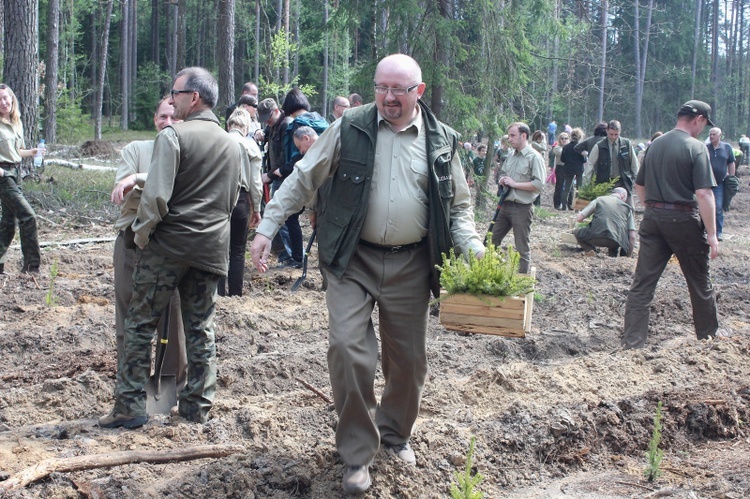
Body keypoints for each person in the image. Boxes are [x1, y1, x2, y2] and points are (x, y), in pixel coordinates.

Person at [250, 53, 484, 494]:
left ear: (418, 90)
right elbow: (303, 177)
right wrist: (268, 226)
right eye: (382, 87)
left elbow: (459, 207)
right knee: (346, 347)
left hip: (412, 264)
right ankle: (356, 454)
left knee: (409, 363)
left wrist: (472, 247)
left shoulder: (441, 140)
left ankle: (394, 437)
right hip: (351, 259)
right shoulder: (350, 126)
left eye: (399, 89)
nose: (389, 98)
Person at [99, 67, 242, 428]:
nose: (172, 98)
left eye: (175, 93)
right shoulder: (231, 142)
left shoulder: (173, 136)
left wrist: (143, 236)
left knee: (139, 324)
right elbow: (232, 198)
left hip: (169, 246)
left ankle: (129, 408)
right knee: (200, 329)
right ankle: (197, 408)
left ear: (193, 97)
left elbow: (156, 197)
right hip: (210, 249)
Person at [622, 100, 719, 350]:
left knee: (642, 284)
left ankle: (633, 342)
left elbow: (639, 185)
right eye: (704, 125)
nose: (704, 130)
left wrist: (653, 208)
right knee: (699, 282)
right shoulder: (696, 147)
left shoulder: (655, 145)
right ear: (697, 119)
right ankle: (708, 339)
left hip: (653, 220)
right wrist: (712, 233)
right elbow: (704, 194)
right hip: (683, 220)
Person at [110, 97, 187, 393]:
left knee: (173, 318)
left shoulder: (187, 152)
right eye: (162, 117)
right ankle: (131, 384)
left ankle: (170, 387)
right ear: (154, 119)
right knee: (128, 313)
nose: (168, 123)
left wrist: (139, 181)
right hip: (131, 240)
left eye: (174, 117)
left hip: (170, 244)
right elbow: (126, 197)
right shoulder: (135, 150)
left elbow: (179, 195)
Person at [219, 108, 263, 296]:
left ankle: (218, 293)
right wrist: (257, 208)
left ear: (229, 125)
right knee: (237, 250)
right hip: (241, 200)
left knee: (220, 249)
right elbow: (255, 181)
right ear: (246, 127)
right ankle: (235, 294)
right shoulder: (250, 145)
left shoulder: (217, 141)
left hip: (218, 199)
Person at [490, 122, 546, 274]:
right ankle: (488, 276)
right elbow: (502, 173)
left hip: (522, 208)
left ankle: (521, 285)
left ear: (524, 136)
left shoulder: (534, 157)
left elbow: (539, 184)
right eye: (509, 136)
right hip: (505, 205)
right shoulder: (510, 155)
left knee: (522, 248)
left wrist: (515, 184)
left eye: (513, 136)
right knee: (490, 242)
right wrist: (502, 179)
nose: (510, 139)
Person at [0, 84, 42, 274]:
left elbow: (16, 151)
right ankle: (31, 266)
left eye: (5, 98)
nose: (3, 103)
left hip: (16, 174)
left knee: (8, 223)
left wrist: (33, 152)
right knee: (28, 216)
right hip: (3, 176)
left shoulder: (16, 122)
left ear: (12, 99)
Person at [584, 120, 639, 206]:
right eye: (611, 134)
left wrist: (636, 180)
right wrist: (586, 185)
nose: (613, 137)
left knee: (629, 209)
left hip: (624, 182)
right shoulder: (599, 146)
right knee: (606, 209)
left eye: (616, 134)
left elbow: (634, 164)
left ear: (620, 131)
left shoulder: (627, 144)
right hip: (605, 183)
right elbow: (590, 165)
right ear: (607, 131)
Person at [573, 187, 635, 256]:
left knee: (576, 232)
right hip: (615, 241)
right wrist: (629, 255)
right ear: (623, 196)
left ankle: (591, 251)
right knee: (617, 237)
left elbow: (579, 218)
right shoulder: (627, 208)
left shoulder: (599, 200)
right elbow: (632, 236)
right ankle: (613, 257)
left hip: (595, 236)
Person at [706, 127, 735, 241]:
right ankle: (705, 230)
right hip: (706, 182)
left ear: (720, 135)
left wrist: (731, 177)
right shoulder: (706, 148)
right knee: (706, 206)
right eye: (710, 134)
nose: (711, 136)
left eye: (714, 134)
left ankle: (718, 232)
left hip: (720, 182)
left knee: (718, 207)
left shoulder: (727, 147)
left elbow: (731, 163)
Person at [560, 128, 587, 210]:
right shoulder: (581, 147)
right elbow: (584, 160)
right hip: (579, 169)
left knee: (566, 189)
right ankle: (578, 208)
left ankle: (564, 206)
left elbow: (562, 159)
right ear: (580, 136)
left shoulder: (566, 147)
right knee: (579, 189)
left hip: (568, 169)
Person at [551, 132, 569, 210]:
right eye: (562, 138)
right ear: (559, 139)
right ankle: (557, 204)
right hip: (560, 167)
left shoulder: (569, 147)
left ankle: (566, 204)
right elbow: (563, 154)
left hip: (568, 167)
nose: (564, 140)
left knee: (568, 187)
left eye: (566, 138)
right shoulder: (557, 147)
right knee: (559, 186)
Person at [472, 144, 488, 209]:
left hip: (484, 178)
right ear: (479, 152)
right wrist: (473, 179)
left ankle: (482, 205)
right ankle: (477, 205)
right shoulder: (475, 160)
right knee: (478, 192)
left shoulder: (486, 160)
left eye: (485, 151)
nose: (484, 152)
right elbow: (472, 169)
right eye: (483, 151)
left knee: (483, 191)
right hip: (477, 178)